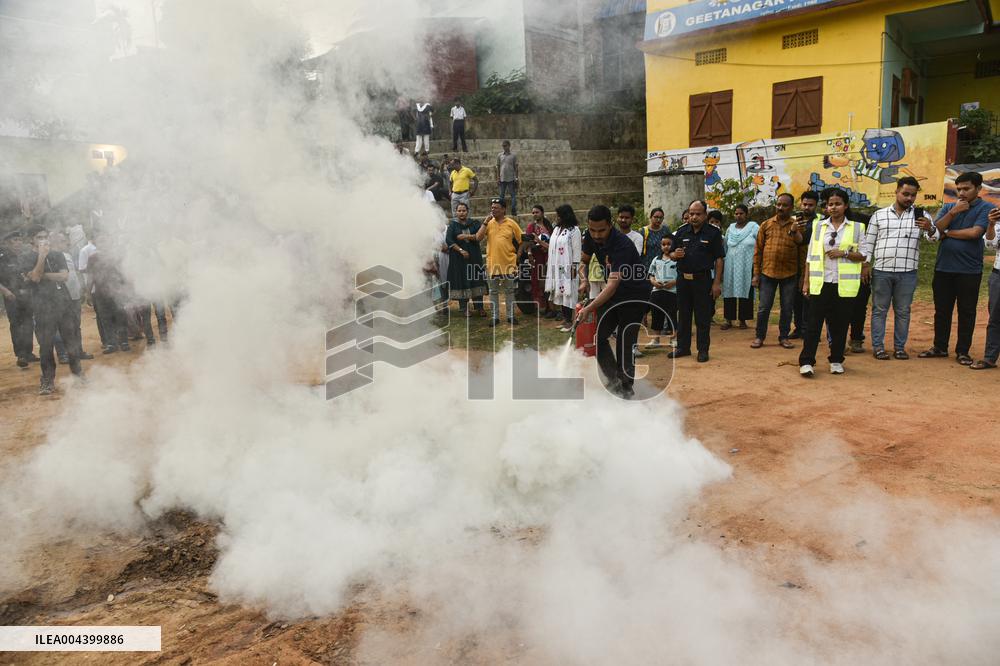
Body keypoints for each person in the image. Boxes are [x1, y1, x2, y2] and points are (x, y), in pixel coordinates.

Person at [576, 205, 653, 399]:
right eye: (592, 230)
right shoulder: (590, 237)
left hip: (634, 295)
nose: (596, 235)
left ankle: (626, 387)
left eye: (601, 230)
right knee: (598, 336)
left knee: (625, 340)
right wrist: (584, 279)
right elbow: (583, 261)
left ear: (610, 225)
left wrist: (591, 306)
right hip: (613, 295)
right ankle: (614, 380)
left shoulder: (622, 245)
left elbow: (612, 284)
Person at [919, 171, 995, 365]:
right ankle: (940, 347)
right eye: (958, 189)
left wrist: (947, 232)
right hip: (944, 268)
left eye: (966, 189)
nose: (961, 193)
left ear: (978, 189)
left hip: (969, 270)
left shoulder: (987, 208)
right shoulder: (949, 207)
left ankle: (963, 351)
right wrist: (953, 213)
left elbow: (975, 233)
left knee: (967, 311)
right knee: (942, 310)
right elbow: (935, 230)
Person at [863, 176, 936, 360]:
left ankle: (899, 348)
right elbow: (869, 243)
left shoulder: (922, 216)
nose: (909, 198)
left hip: (907, 272)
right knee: (879, 310)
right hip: (881, 271)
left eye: (912, 195)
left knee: (903, 311)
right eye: (905, 194)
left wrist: (930, 228)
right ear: (896, 191)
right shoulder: (879, 215)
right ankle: (878, 347)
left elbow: (933, 239)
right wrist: (865, 265)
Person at [798, 189, 868, 377]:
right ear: (826, 207)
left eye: (837, 204)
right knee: (813, 324)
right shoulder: (819, 226)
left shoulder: (857, 228)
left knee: (840, 324)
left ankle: (836, 360)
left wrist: (843, 253)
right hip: (821, 283)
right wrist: (806, 282)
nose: (833, 207)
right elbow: (810, 257)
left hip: (844, 285)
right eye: (830, 204)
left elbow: (864, 255)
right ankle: (806, 361)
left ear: (845, 206)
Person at [20, 226, 84, 394]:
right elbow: (34, 277)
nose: (44, 240)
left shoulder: (58, 254)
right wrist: (41, 257)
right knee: (46, 345)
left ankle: (78, 375)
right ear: (32, 240)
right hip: (42, 307)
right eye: (40, 237)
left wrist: (41, 275)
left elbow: (64, 276)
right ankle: (47, 381)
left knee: (71, 341)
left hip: (63, 303)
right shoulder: (27, 257)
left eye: (46, 236)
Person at [668, 200, 724, 362]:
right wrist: (674, 255)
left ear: (705, 215)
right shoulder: (681, 232)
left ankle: (703, 350)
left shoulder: (713, 233)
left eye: (698, 214)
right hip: (683, 280)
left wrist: (716, 283)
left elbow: (719, 259)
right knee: (683, 315)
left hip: (703, 280)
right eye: (691, 214)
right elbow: (671, 253)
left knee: (702, 317)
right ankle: (683, 348)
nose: (694, 217)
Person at [751, 193, 804, 349]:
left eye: (784, 205)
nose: (780, 208)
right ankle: (759, 337)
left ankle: (784, 337)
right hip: (768, 273)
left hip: (790, 274)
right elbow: (758, 251)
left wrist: (802, 277)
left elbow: (802, 250)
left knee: (787, 308)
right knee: (763, 307)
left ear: (791, 207)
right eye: (778, 204)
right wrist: (756, 274)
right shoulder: (766, 225)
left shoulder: (797, 226)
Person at [473, 198, 523, 326]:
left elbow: (522, 240)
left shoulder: (511, 223)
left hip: (509, 263)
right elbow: (478, 238)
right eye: (492, 207)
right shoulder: (488, 223)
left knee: (509, 291)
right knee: (493, 292)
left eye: (496, 207)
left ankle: (510, 316)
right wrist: (484, 223)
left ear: (503, 209)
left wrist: (518, 255)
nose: (493, 209)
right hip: (493, 264)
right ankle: (495, 317)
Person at [49, 231, 93, 362]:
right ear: (54, 242)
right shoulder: (50, 257)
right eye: (63, 241)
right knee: (61, 326)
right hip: (60, 298)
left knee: (76, 324)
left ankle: (78, 351)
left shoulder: (67, 255)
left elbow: (75, 273)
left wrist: (82, 288)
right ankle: (63, 354)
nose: (66, 243)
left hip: (74, 295)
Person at [1, 229, 36, 367]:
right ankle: (21, 355)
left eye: (19, 240)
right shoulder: (2, 257)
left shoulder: (24, 256)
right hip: (11, 296)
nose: (18, 243)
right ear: (8, 243)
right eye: (14, 240)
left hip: (27, 295)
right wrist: (5, 291)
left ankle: (29, 353)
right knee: (16, 324)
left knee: (28, 324)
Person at [971, 206, 1000, 370]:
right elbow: (990, 245)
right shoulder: (998, 220)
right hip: (999, 274)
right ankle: (990, 358)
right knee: (995, 318)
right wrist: (990, 224)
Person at [446, 203, 488, 317]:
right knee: (462, 280)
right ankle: (464, 308)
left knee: (476, 279)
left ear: (467, 211)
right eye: (459, 211)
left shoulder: (474, 223)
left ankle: (480, 307)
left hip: (474, 257)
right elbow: (449, 240)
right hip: (459, 259)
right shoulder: (453, 225)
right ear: (456, 212)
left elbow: (479, 236)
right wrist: (460, 250)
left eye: (463, 210)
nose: (461, 213)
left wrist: (465, 236)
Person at [720, 205, 758, 330]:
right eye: (736, 213)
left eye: (741, 213)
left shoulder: (753, 227)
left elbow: (760, 243)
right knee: (729, 290)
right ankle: (728, 319)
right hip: (731, 265)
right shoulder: (730, 229)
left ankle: (743, 320)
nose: (738, 216)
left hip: (747, 265)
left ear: (746, 214)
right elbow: (725, 246)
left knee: (745, 290)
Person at [790, 190, 822, 338]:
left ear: (816, 205)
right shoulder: (792, 220)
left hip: (812, 265)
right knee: (795, 299)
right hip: (792, 264)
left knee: (810, 299)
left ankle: (809, 330)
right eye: (804, 204)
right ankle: (798, 328)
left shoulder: (821, 221)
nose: (806, 207)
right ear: (800, 203)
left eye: (810, 205)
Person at [545, 204, 582, 331]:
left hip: (568, 266)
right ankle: (565, 319)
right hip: (557, 266)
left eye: (559, 216)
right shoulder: (556, 229)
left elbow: (577, 250)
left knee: (569, 292)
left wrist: (574, 267)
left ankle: (571, 321)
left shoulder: (574, 230)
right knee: (560, 292)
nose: (557, 218)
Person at [647, 234, 678, 348]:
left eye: (669, 244)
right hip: (657, 292)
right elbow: (651, 274)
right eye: (663, 244)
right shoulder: (656, 259)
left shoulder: (677, 260)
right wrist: (654, 282)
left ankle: (673, 339)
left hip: (672, 292)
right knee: (656, 315)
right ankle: (656, 340)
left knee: (672, 315)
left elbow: (681, 275)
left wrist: (673, 282)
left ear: (673, 245)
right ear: (660, 246)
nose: (666, 247)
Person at [525, 205, 554, 318]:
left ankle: (551, 307)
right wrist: (529, 253)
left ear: (542, 213)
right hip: (537, 258)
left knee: (550, 281)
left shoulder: (549, 226)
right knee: (539, 282)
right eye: (533, 213)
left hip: (549, 257)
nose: (534, 214)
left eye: (536, 212)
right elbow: (527, 242)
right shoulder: (531, 227)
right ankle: (542, 307)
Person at [497, 140, 519, 216]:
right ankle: (502, 211)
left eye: (505, 146)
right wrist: (498, 178)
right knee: (501, 196)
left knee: (513, 195)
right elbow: (498, 167)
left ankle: (513, 210)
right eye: (503, 146)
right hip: (502, 178)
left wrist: (516, 178)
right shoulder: (500, 155)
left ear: (509, 146)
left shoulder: (513, 156)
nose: (504, 147)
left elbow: (516, 167)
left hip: (511, 178)